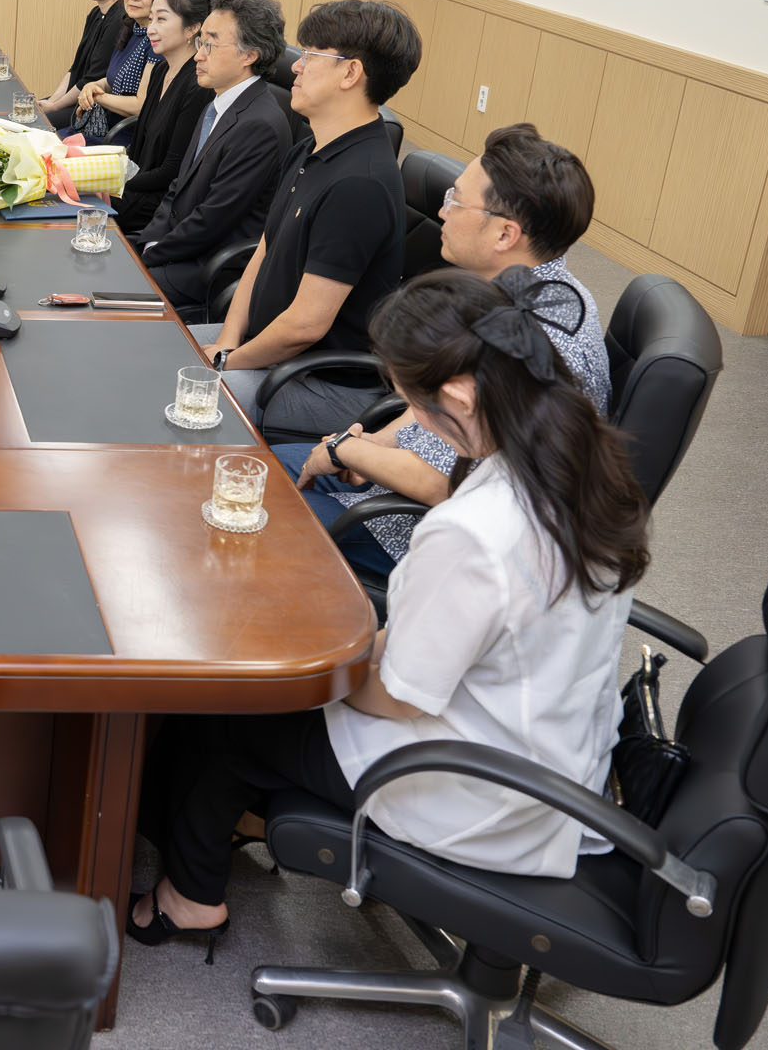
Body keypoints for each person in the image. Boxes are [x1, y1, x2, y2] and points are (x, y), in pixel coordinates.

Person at [129, 267, 650, 956]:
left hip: (481, 787)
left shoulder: (475, 532)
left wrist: (311, 673)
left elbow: (400, 697)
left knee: (232, 711)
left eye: (410, 400)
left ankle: (190, 899)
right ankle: (241, 815)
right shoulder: (582, 458)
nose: (406, 414)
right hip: (557, 751)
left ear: (458, 395)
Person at [280, 124, 611, 576]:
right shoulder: (534, 292)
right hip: (396, 492)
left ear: (505, 235)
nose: (442, 211)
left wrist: (347, 453)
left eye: (456, 200)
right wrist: (373, 444)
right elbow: (436, 408)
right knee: (253, 465)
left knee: (254, 502)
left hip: (420, 536)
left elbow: (447, 482)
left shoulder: (534, 336)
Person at [195, 0, 422, 437]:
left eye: (311, 56)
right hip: (264, 350)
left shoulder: (360, 184)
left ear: (350, 73)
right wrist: (226, 342)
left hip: (317, 382)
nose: (296, 67)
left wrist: (227, 362)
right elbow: (265, 251)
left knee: (174, 389)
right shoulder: (311, 147)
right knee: (156, 345)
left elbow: (305, 327)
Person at [129, 0, 294, 305]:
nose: (198, 55)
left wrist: (148, 256)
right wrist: (147, 243)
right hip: (179, 248)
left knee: (106, 288)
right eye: (200, 42)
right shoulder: (217, 104)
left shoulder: (259, 125)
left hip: (207, 267)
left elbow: (212, 220)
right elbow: (177, 190)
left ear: (249, 55)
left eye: (210, 45)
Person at [111, 0, 213, 236]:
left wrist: (114, 181)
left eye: (162, 19)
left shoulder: (198, 85)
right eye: (151, 19)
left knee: (81, 201)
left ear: (192, 28)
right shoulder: (160, 69)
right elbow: (139, 148)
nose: (151, 29)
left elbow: (171, 172)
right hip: (138, 185)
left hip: (162, 202)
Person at [64, 0, 179, 143]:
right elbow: (113, 81)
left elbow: (140, 105)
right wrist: (94, 86)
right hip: (104, 126)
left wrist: (98, 97)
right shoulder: (132, 28)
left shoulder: (158, 41)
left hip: (123, 139)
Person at [37, 0, 135, 118]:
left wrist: (56, 107)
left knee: (35, 121)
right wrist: (53, 101)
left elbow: (92, 78)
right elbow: (75, 68)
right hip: (75, 99)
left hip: (94, 108)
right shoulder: (96, 13)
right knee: (30, 111)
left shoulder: (120, 19)